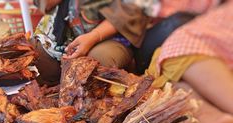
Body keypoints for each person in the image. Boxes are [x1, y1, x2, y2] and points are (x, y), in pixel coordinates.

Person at [34, 0, 220, 84]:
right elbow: (44, 4)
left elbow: (132, 9)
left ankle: (78, 103)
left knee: (93, 64)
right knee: (31, 55)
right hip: (60, 34)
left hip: (111, 37)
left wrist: (93, 37)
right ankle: (56, 89)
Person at [147, 0, 233, 123]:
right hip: (186, 48)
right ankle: (210, 122)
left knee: (167, 76)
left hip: (177, 51)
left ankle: (210, 120)